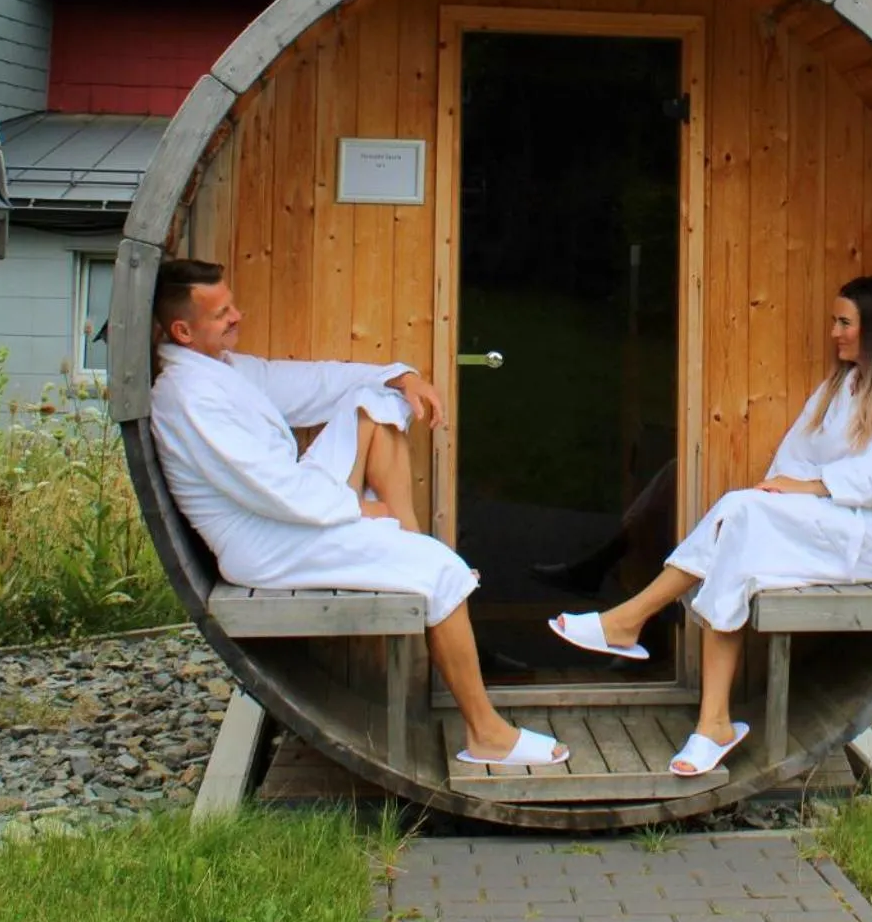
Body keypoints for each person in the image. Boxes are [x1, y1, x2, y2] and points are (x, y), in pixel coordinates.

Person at [149, 258, 567, 770]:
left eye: (233, 303)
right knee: (441, 572)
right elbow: (268, 487)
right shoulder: (190, 396)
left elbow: (314, 383)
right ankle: (487, 735)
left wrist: (400, 377)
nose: (238, 315)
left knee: (375, 402)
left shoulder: (222, 370)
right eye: (222, 313)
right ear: (183, 330)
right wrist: (355, 509)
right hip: (266, 542)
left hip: (287, 515)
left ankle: (412, 551)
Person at [549, 276, 872, 777]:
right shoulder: (839, 388)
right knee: (739, 541)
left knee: (740, 517)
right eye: (835, 321)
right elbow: (795, 455)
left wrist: (812, 488)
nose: (834, 333)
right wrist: (777, 493)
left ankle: (631, 621)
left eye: (844, 322)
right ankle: (711, 721)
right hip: (822, 523)